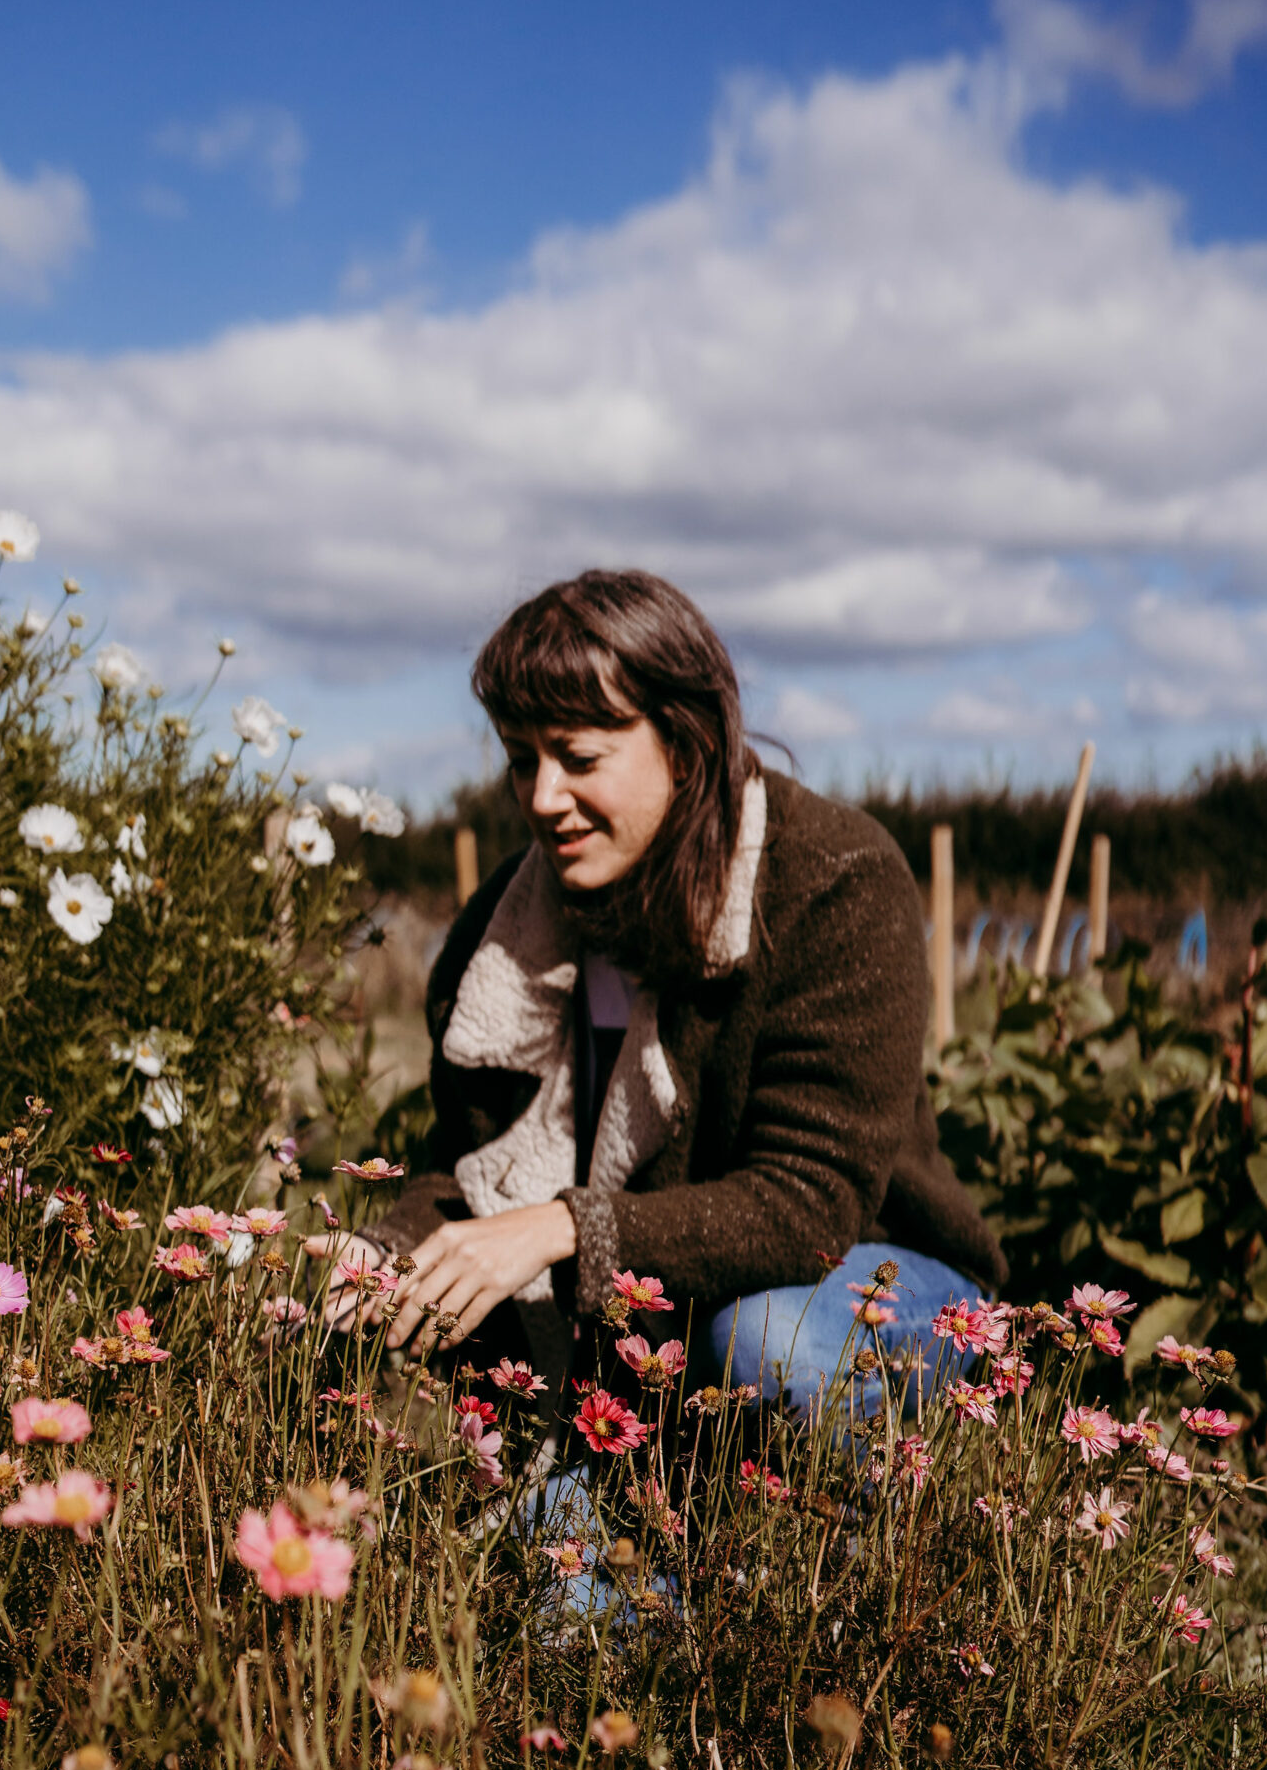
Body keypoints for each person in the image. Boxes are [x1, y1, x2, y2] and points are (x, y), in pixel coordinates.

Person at [314, 568, 1003, 1419]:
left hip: (869, 1276)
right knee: (546, 1529)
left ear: (683, 744)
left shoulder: (831, 885)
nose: (542, 799)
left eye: (579, 758)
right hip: (650, 1320)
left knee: (767, 1344)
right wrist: (380, 1257)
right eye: (521, 760)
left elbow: (809, 1209)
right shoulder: (501, 932)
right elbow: (471, 1176)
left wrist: (562, 1229)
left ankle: (846, 1546)